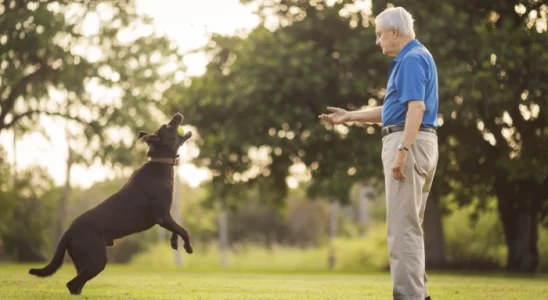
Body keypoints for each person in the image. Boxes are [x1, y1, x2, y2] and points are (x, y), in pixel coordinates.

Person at [318, 6, 439, 300]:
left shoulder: (410, 59)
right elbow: (392, 111)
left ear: (394, 32)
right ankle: (418, 295)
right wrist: (349, 117)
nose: (378, 41)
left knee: (402, 230)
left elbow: (416, 109)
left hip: (408, 142)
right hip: (419, 141)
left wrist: (402, 150)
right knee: (410, 227)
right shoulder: (415, 56)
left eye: (380, 35)